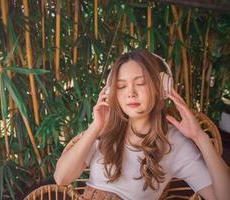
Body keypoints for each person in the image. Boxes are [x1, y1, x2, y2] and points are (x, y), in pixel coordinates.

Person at [53, 49, 230, 200]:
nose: (131, 93)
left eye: (141, 83)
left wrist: (200, 137)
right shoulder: (104, 129)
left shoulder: (174, 143)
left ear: (160, 89)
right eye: (121, 86)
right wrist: (95, 126)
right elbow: (61, 178)